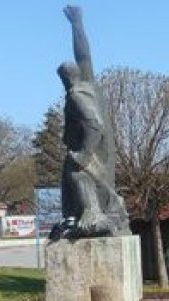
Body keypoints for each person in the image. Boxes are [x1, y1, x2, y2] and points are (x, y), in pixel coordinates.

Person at [56, 5, 129, 239]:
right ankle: (79, 218)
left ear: (63, 79)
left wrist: (85, 153)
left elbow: (93, 123)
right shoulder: (88, 84)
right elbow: (84, 56)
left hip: (93, 150)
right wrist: (77, 24)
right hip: (99, 150)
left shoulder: (78, 93)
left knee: (75, 172)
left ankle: (92, 215)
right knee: (75, 180)